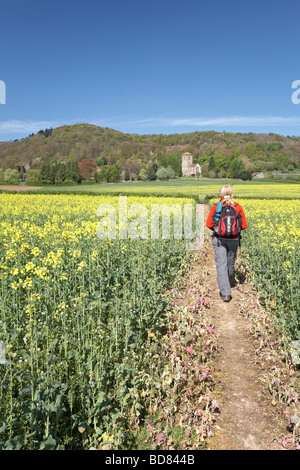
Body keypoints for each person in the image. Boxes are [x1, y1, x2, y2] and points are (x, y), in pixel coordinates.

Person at [206, 185, 248, 302]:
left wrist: (219, 229)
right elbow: (244, 225)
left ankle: (225, 294)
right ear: (231, 193)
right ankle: (229, 279)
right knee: (230, 262)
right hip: (234, 240)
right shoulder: (238, 207)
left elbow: (209, 224)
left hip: (219, 239)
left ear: (221, 194)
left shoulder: (216, 206)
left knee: (221, 265)